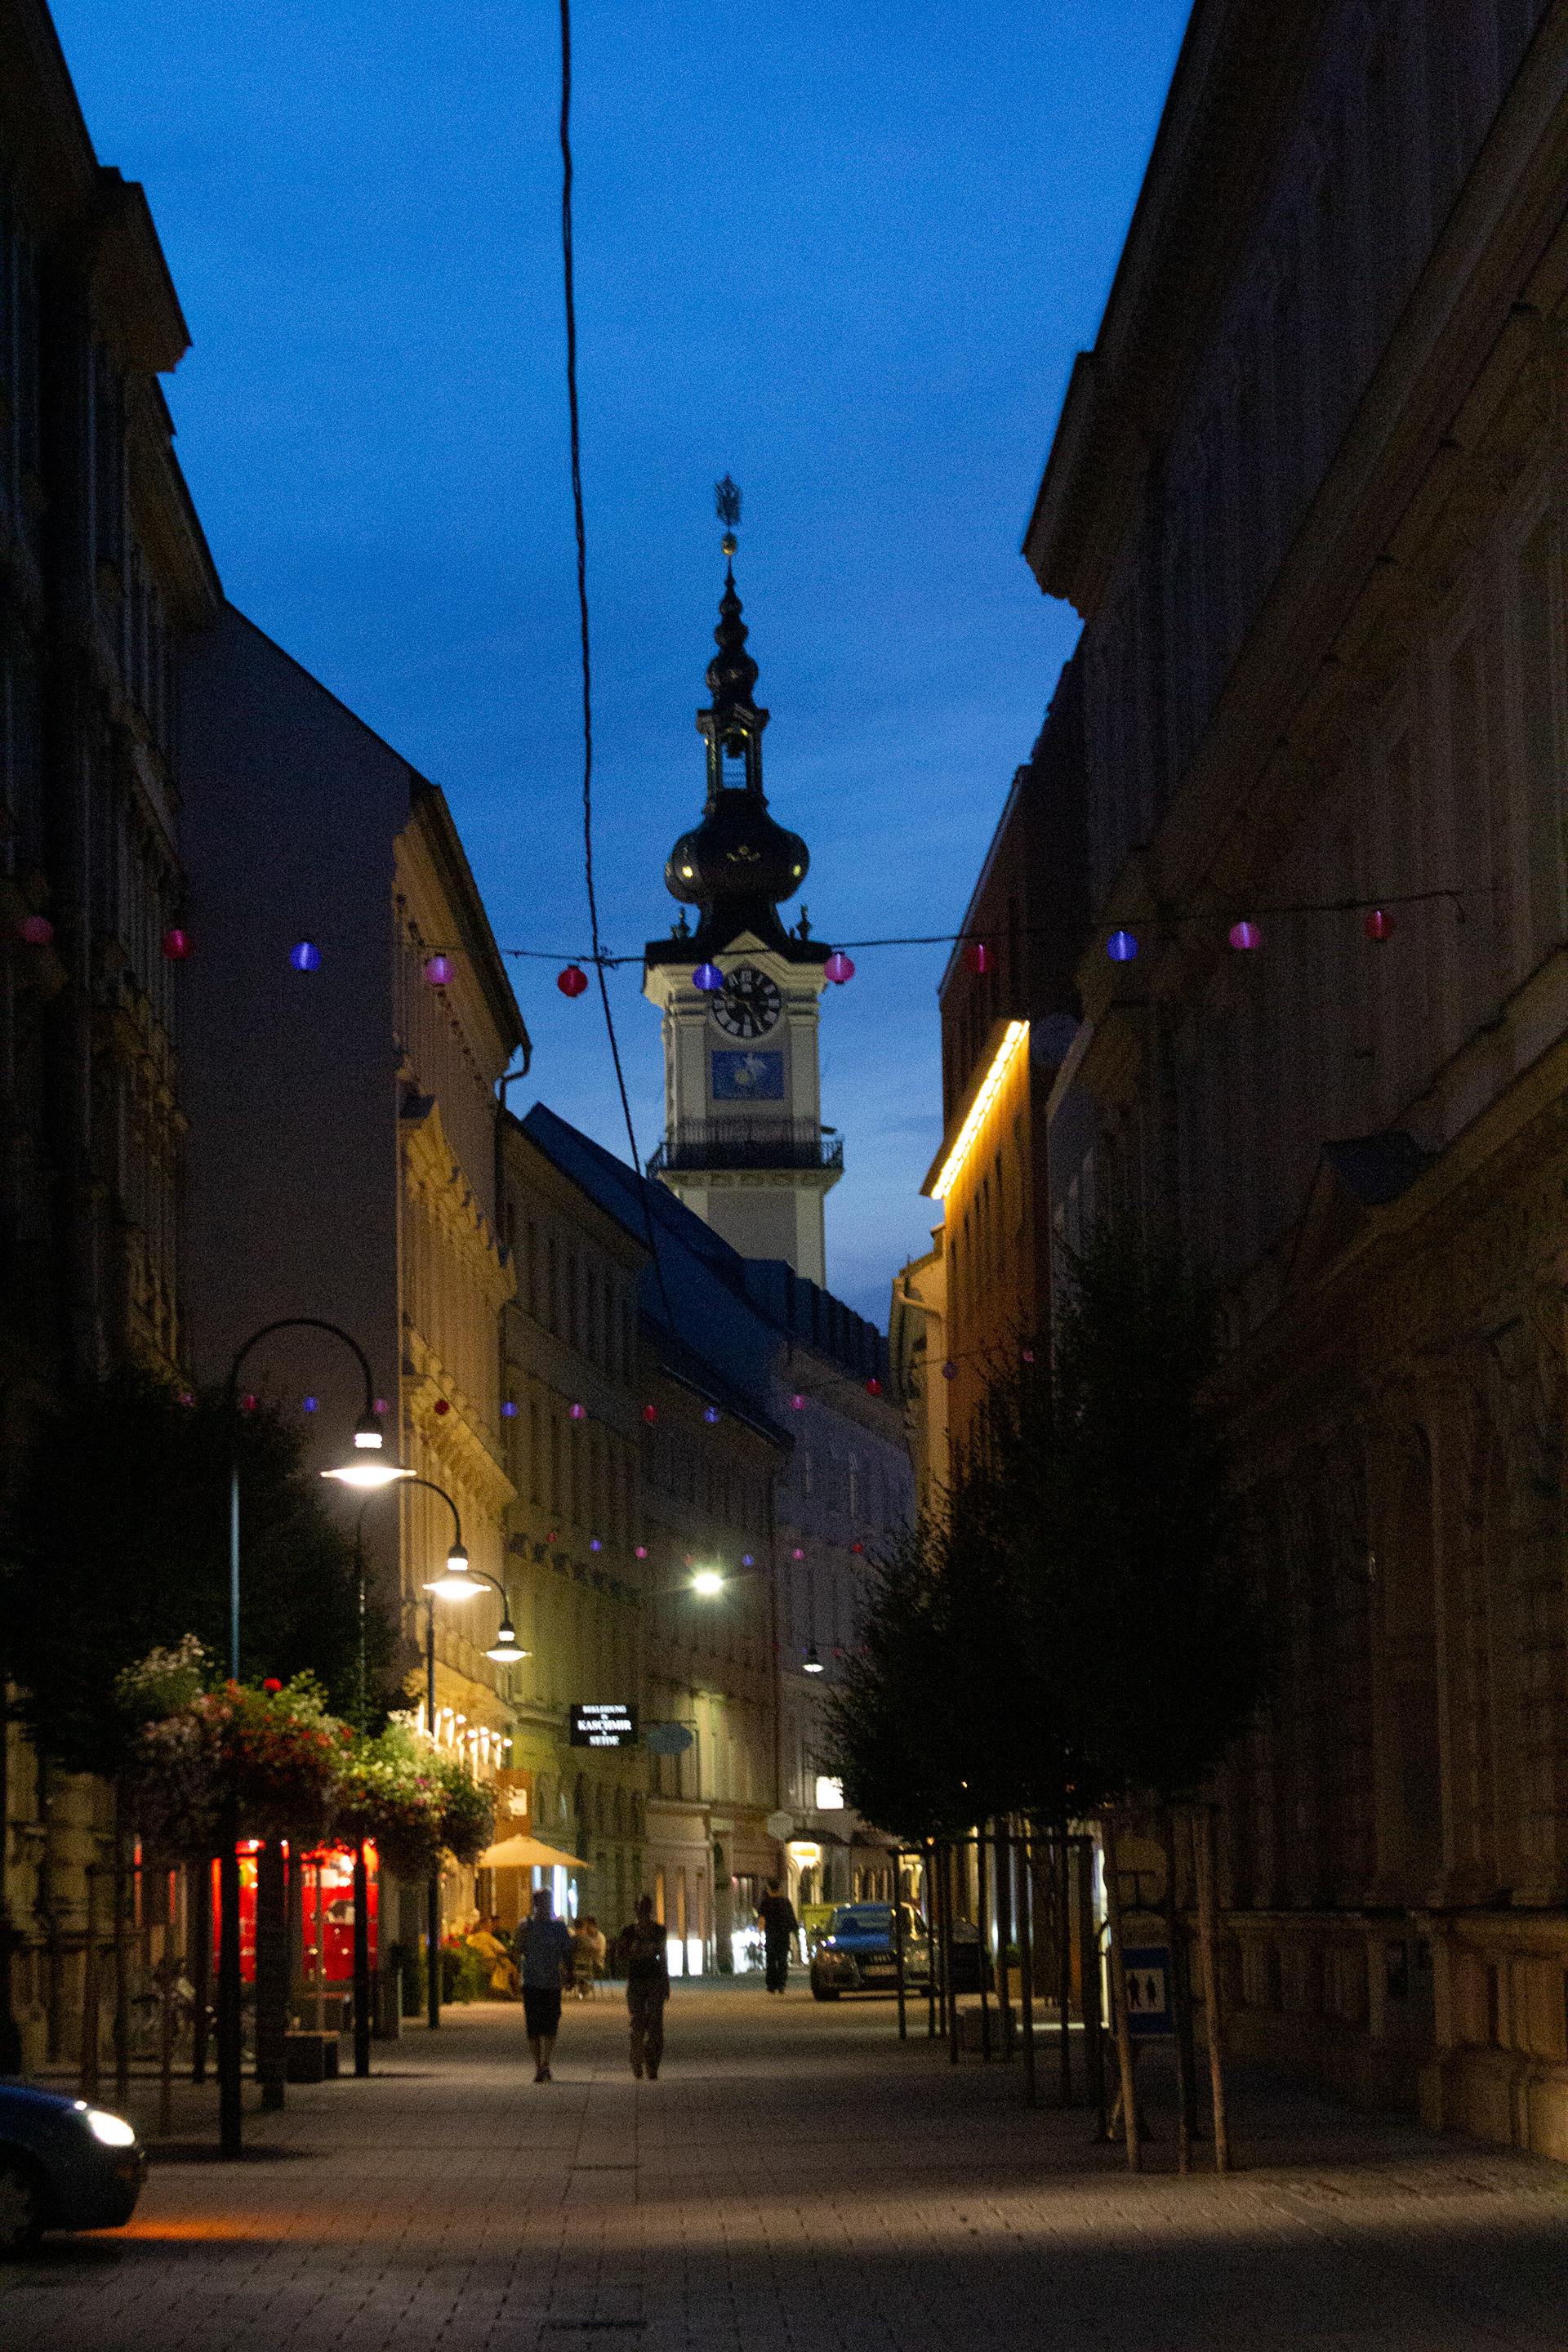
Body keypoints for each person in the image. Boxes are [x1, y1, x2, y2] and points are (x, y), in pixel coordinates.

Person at [517, 1886, 574, 2080]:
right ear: (536, 1905)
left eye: (547, 1902)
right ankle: (538, 2065)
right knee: (533, 2026)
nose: (545, 1906)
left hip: (551, 1983)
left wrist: (570, 1973)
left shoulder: (558, 1927)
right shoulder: (526, 1927)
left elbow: (567, 1952)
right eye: (541, 1903)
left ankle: (545, 2063)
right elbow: (516, 1951)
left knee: (551, 2024)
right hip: (532, 1982)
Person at [617, 1894, 669, 2078]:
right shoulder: (628, 1931)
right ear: (636, 1909)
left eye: (645, 1907)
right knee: (638, 2022)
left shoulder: (659, 1930)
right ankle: (637, 2060)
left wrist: (665, 1981)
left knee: (655, 2024)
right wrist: (636, 1951)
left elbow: (663, 1956)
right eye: (640, 1907)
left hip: (654, 1979)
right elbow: (621, 1954)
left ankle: (652, 2064)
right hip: (636, 1980)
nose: (643, 1911)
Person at [756, 1878, 798, 1994]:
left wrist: (760, 1935)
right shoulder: (785, 1902)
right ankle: (781, 1985)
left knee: (771, 1960)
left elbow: (761, 1919)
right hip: (784, 1935)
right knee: (782, 1960)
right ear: (779, 1889)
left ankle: (771, 1985)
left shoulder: (766, 1902)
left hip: (771, 1935)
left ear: (769, 1889)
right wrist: (795, 1933)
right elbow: (792, 1918)